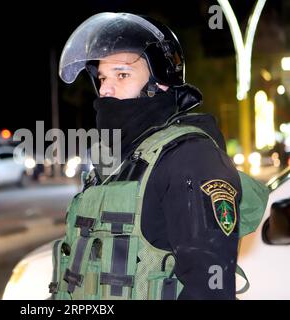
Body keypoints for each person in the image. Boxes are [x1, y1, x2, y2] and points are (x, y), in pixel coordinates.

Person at [50, 12, 256, 300]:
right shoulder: (118, 162)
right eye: (102, 78)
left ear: (160, 84)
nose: (106, 89)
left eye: (122, 75)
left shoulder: (191, 159)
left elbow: (210, 290)